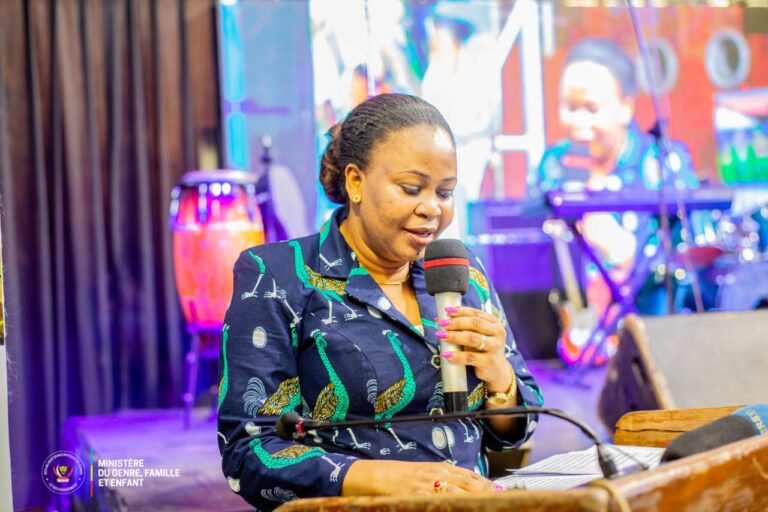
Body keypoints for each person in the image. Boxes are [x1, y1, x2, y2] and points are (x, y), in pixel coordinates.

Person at [217, 94, 541, 509]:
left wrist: (501, 381)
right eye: (411, 189)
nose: (432, 208)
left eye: (445, 192)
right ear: (355, 182)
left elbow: (516, 429)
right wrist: (389, 481)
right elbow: (249, 453)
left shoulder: (462, 271)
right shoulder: (278, 275)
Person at [534, 39, 700, 345]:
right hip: (569, 341)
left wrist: (627, 253)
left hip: (654, 336)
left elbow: (695, 255)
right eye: (569, 107)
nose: (578, 122)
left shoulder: (664, 161)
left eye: (591, 109)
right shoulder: (554, 164)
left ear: (625, 107)